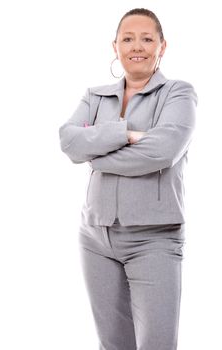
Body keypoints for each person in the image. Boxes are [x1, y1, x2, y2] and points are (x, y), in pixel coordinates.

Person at [59, 7, 197, 350]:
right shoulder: (95, 95)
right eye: (128, 38)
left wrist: (99, 153)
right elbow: (69, 142)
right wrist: (128, 133)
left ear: (162, 46)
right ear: (115, 45)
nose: (137, 46)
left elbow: (162, 152)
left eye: (147, 39)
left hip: (154, 239)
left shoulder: (178, 93)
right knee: (114, 345)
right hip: (95, 239)